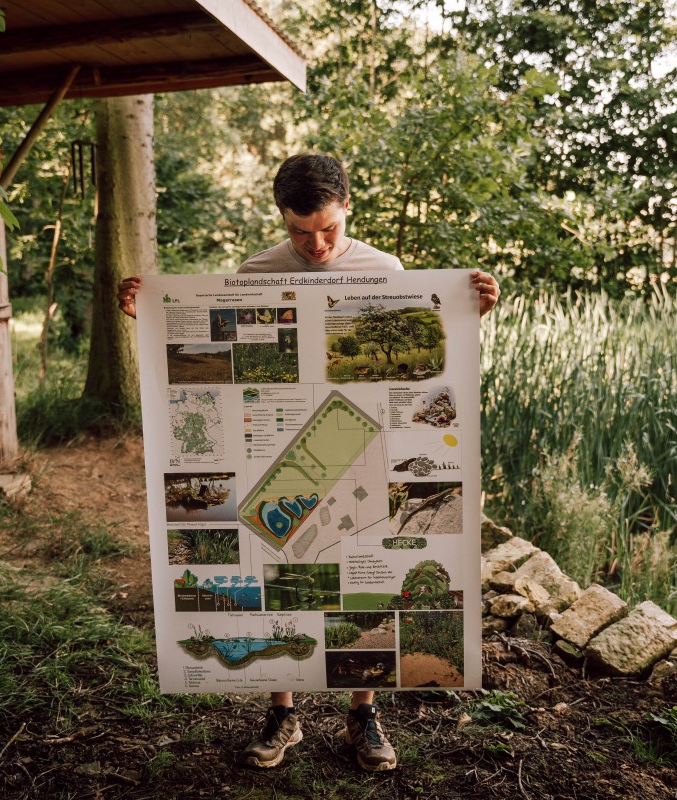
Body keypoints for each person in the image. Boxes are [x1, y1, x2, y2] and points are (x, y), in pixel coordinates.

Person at [117, 153, 500, 772]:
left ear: (348, 207)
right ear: (282, 219)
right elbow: (210, 363)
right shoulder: (255, 271)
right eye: (300, 231)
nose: (316, 244)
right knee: (275, 563)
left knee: (366, 569)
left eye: (328, 229)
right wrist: (148, 319)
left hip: (364, 448)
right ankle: (282, 711)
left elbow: (424, 360)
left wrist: (467, 316)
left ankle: (362, 715)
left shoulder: (387, 270)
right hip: (279, 450)